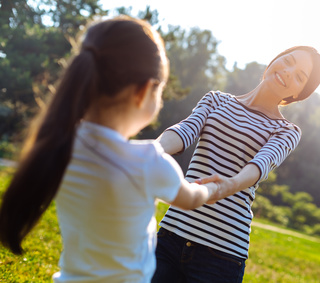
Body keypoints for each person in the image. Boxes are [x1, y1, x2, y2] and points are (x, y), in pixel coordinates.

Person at [0, 16, 221, 282]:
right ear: (144, 91)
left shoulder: (61, 144)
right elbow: (190, 199)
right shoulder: (147, 161)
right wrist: (214, 188)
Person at [152, 46, 320, 283]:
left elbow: (260, 165)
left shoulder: (286, 130)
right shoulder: (216, 99)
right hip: (170, 237)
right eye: (288, 61)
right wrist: (151, 150)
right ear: (273, 61)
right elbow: (186, 130)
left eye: (299, 77)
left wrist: (228, 185)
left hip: (221, 257)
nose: (288, 72)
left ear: (297, 94)